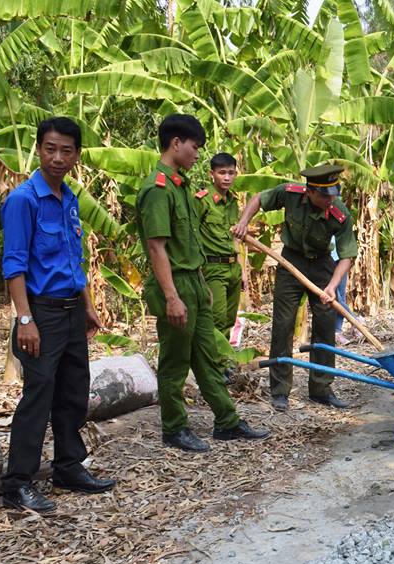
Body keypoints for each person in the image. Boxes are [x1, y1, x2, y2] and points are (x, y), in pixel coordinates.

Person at [0, 116, 113, 512]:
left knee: (72, 391)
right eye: (51, 148)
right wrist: (25, 319)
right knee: (38, 395)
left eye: (67, 150)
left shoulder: (68, 199)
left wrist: (88, 306)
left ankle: (68, 465)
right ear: (39, 149)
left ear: (77, 155)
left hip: (70, 311)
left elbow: (73, 259)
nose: (58, 157)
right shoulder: (23, 200)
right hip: (41, 313)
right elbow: (14, 266)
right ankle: (17, 482)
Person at [138, 114, 268, 452]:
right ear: (176, 143)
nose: (197, 154)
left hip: (194, 283)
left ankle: (226, 420)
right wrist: (171, 297)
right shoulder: (157, 189)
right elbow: (157, 247)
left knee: (208, 356)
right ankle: (174, 428)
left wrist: (201, 286)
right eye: (194, 147)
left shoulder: (180, 186)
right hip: (176, 285)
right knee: (175, 362)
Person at [233, 165, 358, 412]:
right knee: (283, 325)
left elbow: (347, 255)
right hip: (290, 262)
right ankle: (279, 391)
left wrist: (332, 286)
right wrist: (243, 222)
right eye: (324, 195)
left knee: (325, 325)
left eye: (334, 193)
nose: (330, 199)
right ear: (309, 192)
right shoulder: (289, 193)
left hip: (322, 265)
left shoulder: (339, 213)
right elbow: (259, 198)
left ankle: (321, 389)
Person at [195, 152, 244, 381]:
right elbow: (190, 234)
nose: (227, 177)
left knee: (229, 320)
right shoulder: (202, 200)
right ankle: (214, 366)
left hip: (233, 267)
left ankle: (223, 363)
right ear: (211, 174)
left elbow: (234, 237)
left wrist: (241, 266)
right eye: (222, 173)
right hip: (213, 268)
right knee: (216, 318)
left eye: (231, 172)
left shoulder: (233, 202)